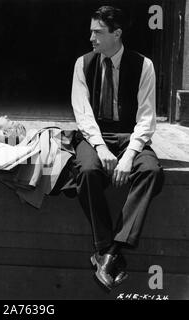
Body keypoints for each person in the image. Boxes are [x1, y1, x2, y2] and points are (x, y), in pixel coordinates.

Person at [71, 6, 164, 290]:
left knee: (150, 171)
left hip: (130, 135)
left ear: (117, 33)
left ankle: (111, 252)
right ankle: (107, 247)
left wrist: (130, 156)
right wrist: (100, 148)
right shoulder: (83, 64)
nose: (91, 38)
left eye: (98, 32)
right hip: (96, 135)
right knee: (86, 171)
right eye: (91, 31)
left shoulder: (143, 65)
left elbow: (146, 117)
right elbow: (83, 113)